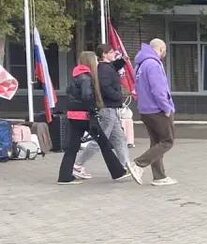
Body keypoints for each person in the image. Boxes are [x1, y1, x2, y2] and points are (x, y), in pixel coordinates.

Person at [57, 51, 130, 185]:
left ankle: (64, 176)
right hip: (85, 116)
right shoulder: (86, 78)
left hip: (73, 115)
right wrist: (93, 110)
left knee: (73, 147)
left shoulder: (76, 76)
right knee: (103, 143)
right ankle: (117, 172)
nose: (97, 62)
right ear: (90, 61)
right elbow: (87, 96)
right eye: (96, 60)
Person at [75, 43, 129, 179]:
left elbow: (113, 67)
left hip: (111, 108)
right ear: (104, 55)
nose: (114, 54)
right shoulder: (104, 69)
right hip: (107, 109)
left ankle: (124, 165)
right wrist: (118, 96)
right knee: (100, 140)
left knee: (119, 138)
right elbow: (105, 86)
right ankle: (78, 164)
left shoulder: (107, 67)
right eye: (111, 52)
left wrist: (122, 61)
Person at [128, 39, 177, 187]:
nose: (164, 54)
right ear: (161, 49)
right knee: (167, 141)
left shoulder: (140, 65)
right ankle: (138, 164)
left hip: (145, 109)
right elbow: (159, 90)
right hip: (157, 110)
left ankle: (159, 176)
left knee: (156, 143)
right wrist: (166, 108)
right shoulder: (153, 64)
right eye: (164, 50)